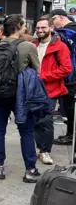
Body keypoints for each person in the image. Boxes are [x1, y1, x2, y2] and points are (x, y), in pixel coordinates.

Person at [0, 14, 41, 182]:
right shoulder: (28, 46)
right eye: (24, 25)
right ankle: (30, 170)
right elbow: (38, 71)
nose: (25, 28)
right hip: (21, 94)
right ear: (18, 25)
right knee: (26, 132)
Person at [33, 15, 72, 165]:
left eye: (43, 27)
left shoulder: (60, 46)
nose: (40, 30)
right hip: (34, 88)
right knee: (36, 119)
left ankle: (45, 150)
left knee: (46, 120)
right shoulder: (32, 44)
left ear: (51, 28)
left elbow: (66, 69)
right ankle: (39, 148)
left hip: (51, 89)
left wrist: (44, 76)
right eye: (38, 28)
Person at [48, 9, 76, 146]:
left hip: (70, 77)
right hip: (71, 75)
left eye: (53, 20)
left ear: (60, 17)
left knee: (70, 107)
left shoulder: (68, 32)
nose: (52, 24)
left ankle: (71, 135)